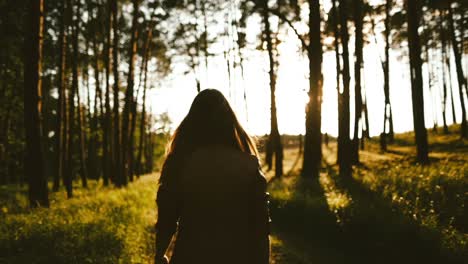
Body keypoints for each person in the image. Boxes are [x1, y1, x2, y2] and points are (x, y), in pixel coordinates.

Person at [154, 89, 270, 264]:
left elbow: (167, 218)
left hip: (190, 256)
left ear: (192, 122)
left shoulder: (179, 162)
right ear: (229, 123)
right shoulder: (249, 165)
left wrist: (160, 254)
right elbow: (260, 227)